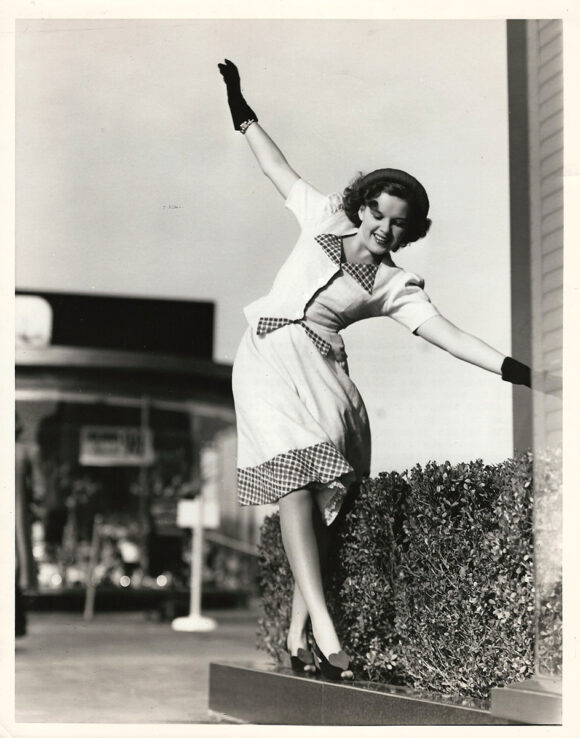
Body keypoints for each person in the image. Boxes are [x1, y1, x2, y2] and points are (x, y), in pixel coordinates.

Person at [218, 59, 531, 681]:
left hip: (324, 375)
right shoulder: (321, 218)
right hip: (265, 358)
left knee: (324, 500)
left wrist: (524, 372)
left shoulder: (396, 285)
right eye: (379, 214)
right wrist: (240, 106)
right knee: (295, 485)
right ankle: (330, 637)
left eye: (400, 224)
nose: (385, 228)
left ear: (411, 231)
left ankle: (297, 635)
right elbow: (275, 166)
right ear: (361, 207)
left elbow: (450, 336)